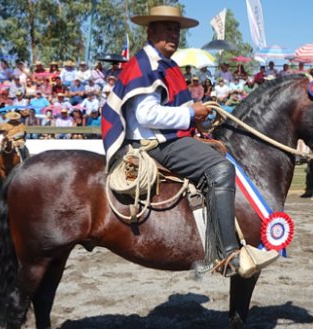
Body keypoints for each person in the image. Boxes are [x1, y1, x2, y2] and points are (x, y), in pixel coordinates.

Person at [101, 5, 250, 276]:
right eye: (167, 28)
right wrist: (190, 112)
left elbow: (171, 110)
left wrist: (197, 115)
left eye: (177, 29)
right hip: (153, 143)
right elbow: (146, 115)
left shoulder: (164, 63)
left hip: (165, 137)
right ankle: (227, 253)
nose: (173, 34)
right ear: (151, 30)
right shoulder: (146, 63)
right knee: (221, 168)